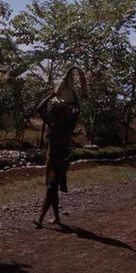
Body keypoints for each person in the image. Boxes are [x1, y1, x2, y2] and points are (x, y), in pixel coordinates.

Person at [33, 67, 86, 228]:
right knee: (52, 189)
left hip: (61, 162)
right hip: (52, 160)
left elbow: (78, 107)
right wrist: (53, 94)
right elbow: (39, 108)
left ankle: (41, 219)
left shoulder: (67, 125)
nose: (59, 114)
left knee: (50, 188)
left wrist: (73, 92)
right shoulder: (54, 124)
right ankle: (56, 218)